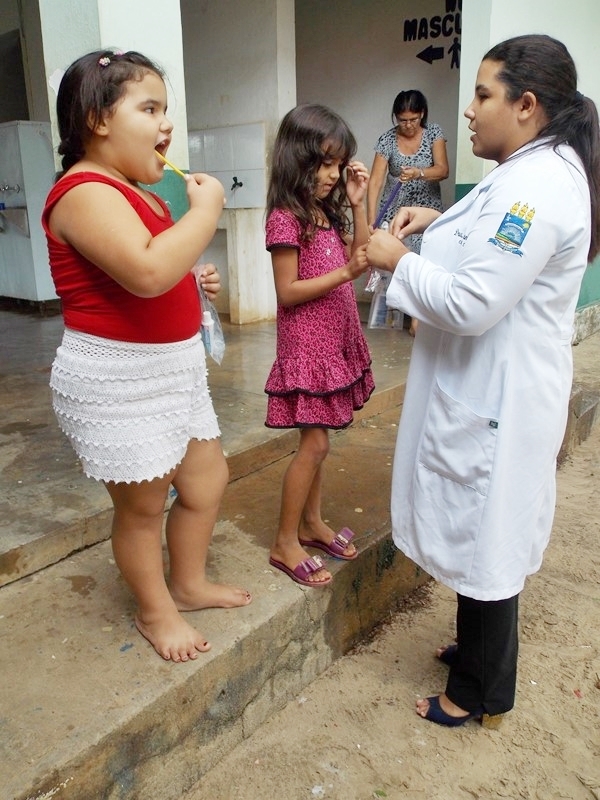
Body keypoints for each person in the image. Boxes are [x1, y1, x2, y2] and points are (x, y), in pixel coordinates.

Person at [365, 34, 600, 727]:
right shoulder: (526, 172)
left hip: (500, 396)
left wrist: (397, 259)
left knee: (488, 536)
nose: (468, 111)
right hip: (487, 388)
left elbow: (471, 302)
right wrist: (439, 222)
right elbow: (492, 247)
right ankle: (474, 653)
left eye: (483, 94)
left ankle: (479, 694)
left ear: (527, 105)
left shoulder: (538, 187)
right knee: (478, 527)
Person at [42, 49, 252, 663]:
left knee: (207, 478)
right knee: (141, 508)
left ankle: (185, 583)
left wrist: (193, 278)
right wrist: (207, 213)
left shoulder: (144, 194)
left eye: (167, 110)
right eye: (150, 108)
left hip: (174, 367)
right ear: (97, 118)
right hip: (118, 374)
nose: (166, 126)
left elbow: (161, 267)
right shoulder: (82, 190)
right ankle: (154, 610)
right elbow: (145, 271)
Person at [264, 104, 374, 587]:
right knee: (315, 443)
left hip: (333, 343)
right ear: (297, 158)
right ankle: (285, 541)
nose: (332, 174)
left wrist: (357, 202)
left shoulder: (323, 210)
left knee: (320, 444)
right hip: (306, 351)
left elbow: (363, 257)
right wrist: (345, 274)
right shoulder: (285, 217)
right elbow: (287, 292)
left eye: (338, 164)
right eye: (324, 164)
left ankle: (310, 524)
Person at [367, 90, 449, 335]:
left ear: (422, 114)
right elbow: (375, 183)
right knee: (401, 260)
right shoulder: (386, 141)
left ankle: (419, 318)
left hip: (427, 211)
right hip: (396, 211)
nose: (408, 125)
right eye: (402, 120)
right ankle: (406, 314)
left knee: (427, 259)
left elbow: (442, 169)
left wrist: (418, 173)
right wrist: (372, 220)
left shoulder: (434, 133)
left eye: (413, 119)